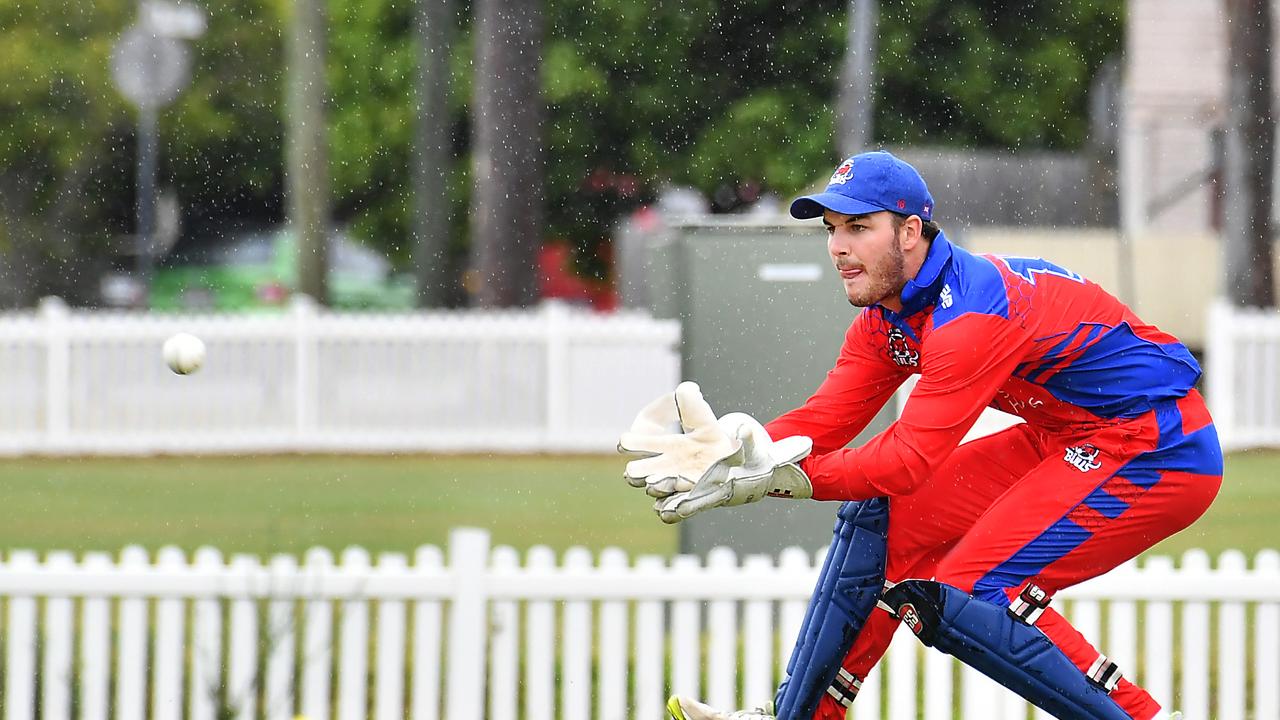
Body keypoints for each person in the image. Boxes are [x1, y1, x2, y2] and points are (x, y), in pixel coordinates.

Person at [618, 151, 1220, 720]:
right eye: (831, 229)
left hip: (1159, 445)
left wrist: (773, 478)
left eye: (858, 227)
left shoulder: (969, 318)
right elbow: (821, 425)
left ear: (910, 233)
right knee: (880, 517)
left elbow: (908, 459)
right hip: (1066, 434)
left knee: (977, 593)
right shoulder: (888, 316)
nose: (838, 248)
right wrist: (732, 452)